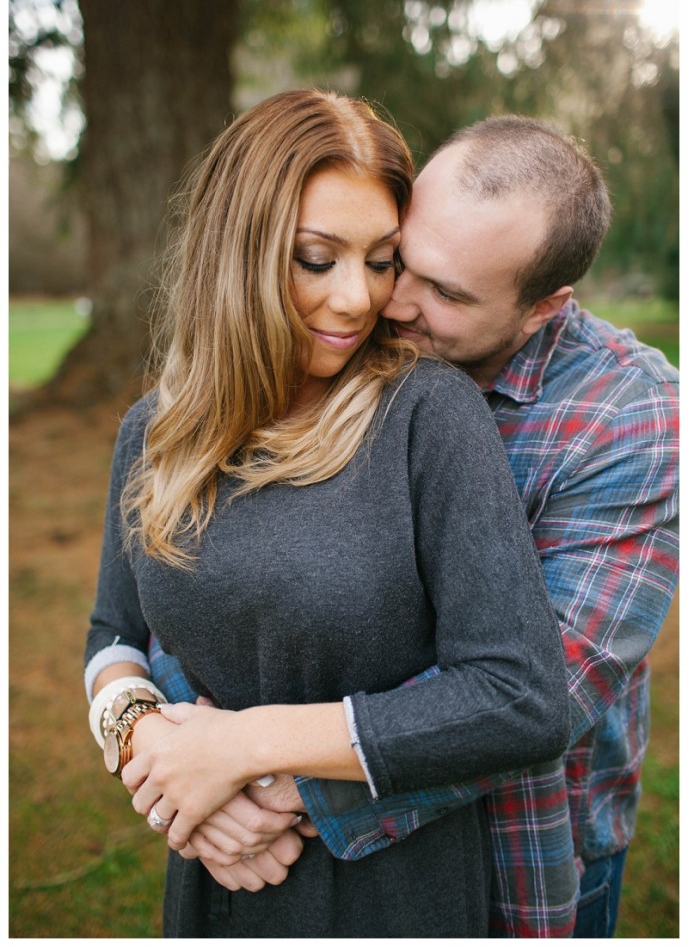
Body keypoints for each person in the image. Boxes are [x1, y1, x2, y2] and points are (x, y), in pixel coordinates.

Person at [151, 114, 679, 938]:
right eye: (402, 258)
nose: (384, 301)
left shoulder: (629, 421)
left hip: (526, 841)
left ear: (544, 308)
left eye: (448, 293)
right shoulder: (356, 346)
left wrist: (251, 774)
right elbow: (227, 579)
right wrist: (170, 738)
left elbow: (541, 696)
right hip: (294, 858)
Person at [84, 91, 571, 938]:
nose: (358, 299)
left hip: (392, 887)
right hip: (217, 882)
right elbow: (111, 635)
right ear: (236, 254)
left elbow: (520, 698)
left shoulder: (430, 417)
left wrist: (243, 748)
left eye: (382, 260)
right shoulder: (156, 431)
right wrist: (156, 763)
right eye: (317, 258)